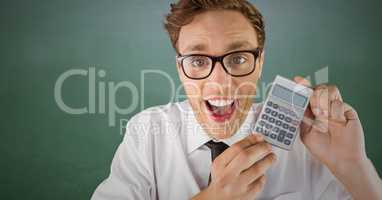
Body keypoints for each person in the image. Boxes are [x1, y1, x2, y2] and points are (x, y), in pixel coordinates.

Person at [91, 0, 382, 199]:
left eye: (239, 57)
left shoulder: (306, 139)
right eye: (198, 60)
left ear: (260, 62)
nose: (220, 81)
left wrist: (353, 165)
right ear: (179, 68)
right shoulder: (147, 134)